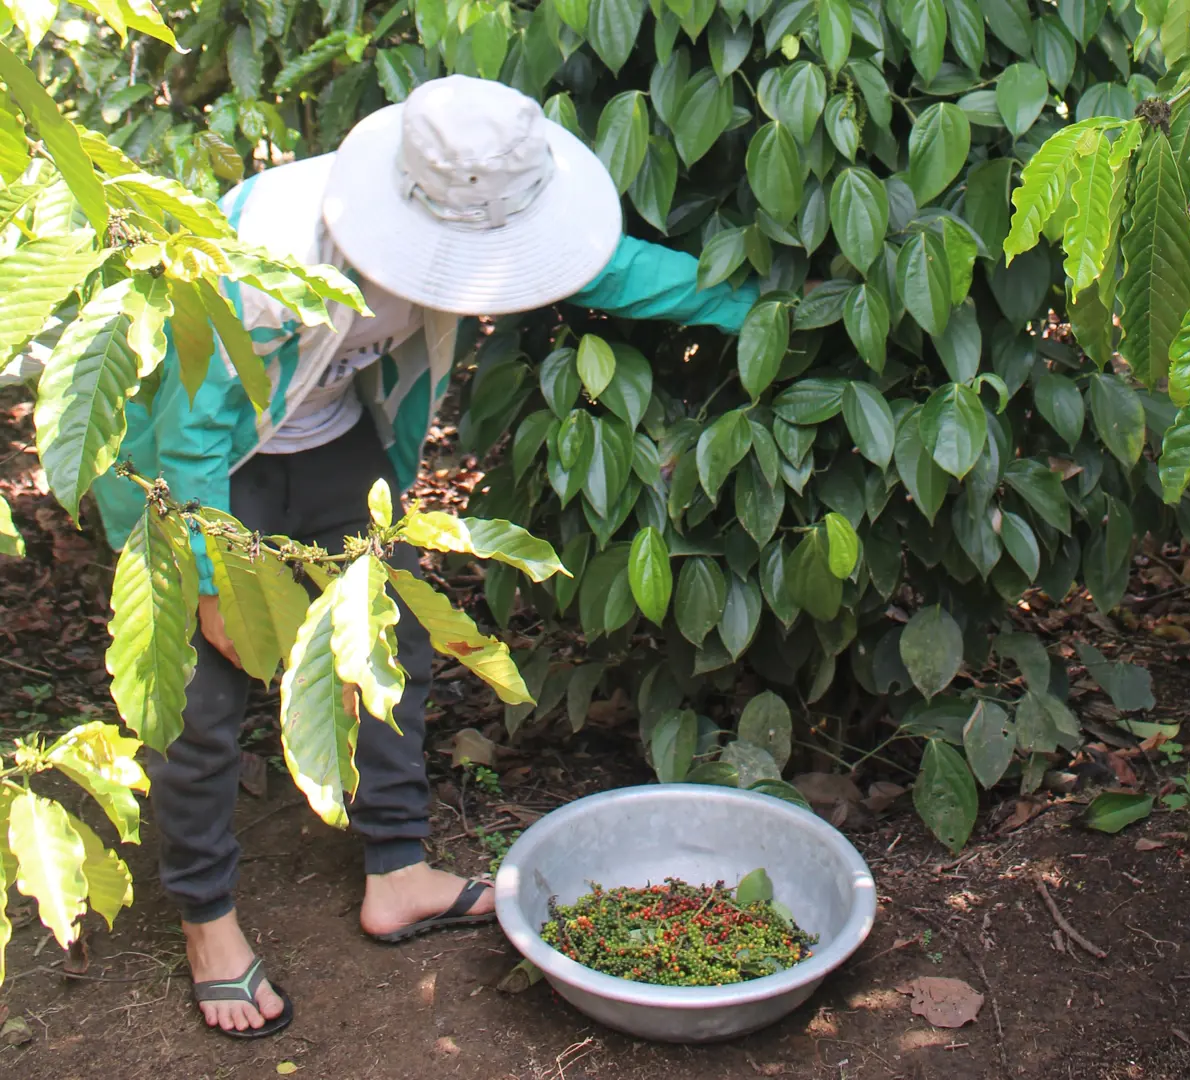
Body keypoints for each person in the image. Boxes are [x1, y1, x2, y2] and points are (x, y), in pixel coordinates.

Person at [91, 75, 762, 1039]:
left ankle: (397, 870)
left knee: (388, 646)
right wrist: (208, 587)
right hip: (197, 468)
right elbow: (193, 426)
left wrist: (771, 310)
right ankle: (206, 918)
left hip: (328, 448)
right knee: (202, 697)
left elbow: (608, 271)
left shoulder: (484, 204)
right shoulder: (263, 249)